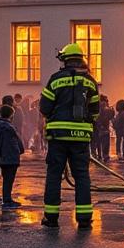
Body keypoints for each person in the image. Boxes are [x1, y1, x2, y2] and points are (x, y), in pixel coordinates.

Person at [39, 42, 100, 229]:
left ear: (65, 60)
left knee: (54, 174)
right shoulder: (91, 82)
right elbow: (95, 111)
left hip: (58, 136)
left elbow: (44, 107)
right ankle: (83, 218)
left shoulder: (56, 79)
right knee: (81, 176)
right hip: (81, 137)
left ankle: (51, 217)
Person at [0, 105, 25, 207]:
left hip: (2, 157)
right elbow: (17, 142)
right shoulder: (9, 127)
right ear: (11, 115)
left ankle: (6, 199)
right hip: (11, 156)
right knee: (9, 180)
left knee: (6, 179)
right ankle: (7, 200)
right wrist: (20, 150)